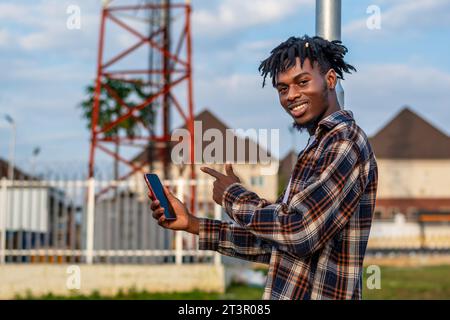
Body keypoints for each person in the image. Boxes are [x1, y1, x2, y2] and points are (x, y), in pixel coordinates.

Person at [149, 35, 378, 300]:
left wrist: (233, 196)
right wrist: (193, 224)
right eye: (282, 89)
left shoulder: (344, 143)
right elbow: (278, 244)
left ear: (329, 80)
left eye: (302, 82)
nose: (291, 95)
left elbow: (298, 232)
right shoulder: (318, 147)